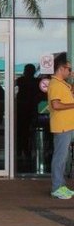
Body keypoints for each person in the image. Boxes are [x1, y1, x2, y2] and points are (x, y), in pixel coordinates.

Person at [48, 53, 74, 199]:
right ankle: (57, 187)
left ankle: (61, 185)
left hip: (66, 125)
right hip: (62, 126)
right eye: (69, 69)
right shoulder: (56, 84)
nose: (70, 72)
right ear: (61, 68)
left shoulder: (62, 84)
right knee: (60, 157)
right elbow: (56, 104)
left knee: (63, 157)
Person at [15, 64, 41, 163]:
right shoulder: (36, 82)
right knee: (28, 132)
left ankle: (19, 151)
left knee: (20, 132)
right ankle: (26, 151)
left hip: (21, 109)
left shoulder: (21, 80)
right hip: (31, 109)